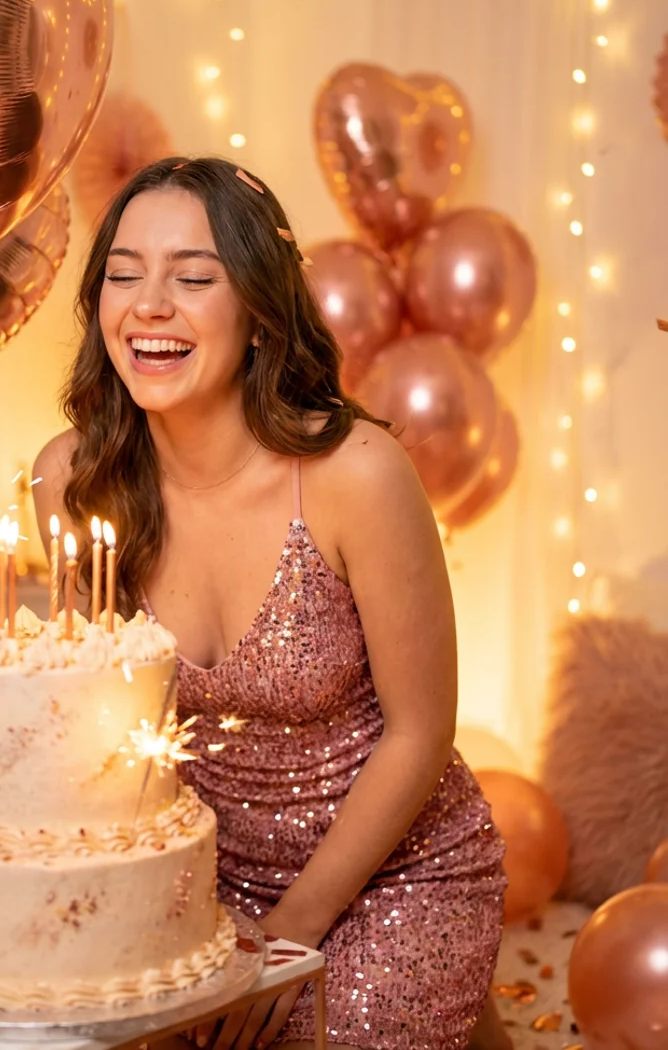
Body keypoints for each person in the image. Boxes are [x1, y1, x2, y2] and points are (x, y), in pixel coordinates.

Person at [33, 156, 510, 1050]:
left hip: (393, 871)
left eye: (193, 276)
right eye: (124, 274)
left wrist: (288, 938)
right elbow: (98, 733)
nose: (150, 304)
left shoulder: (355, 473)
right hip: (195, 884)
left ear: (257, 311)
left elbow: (421, 731)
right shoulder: (72, 481)